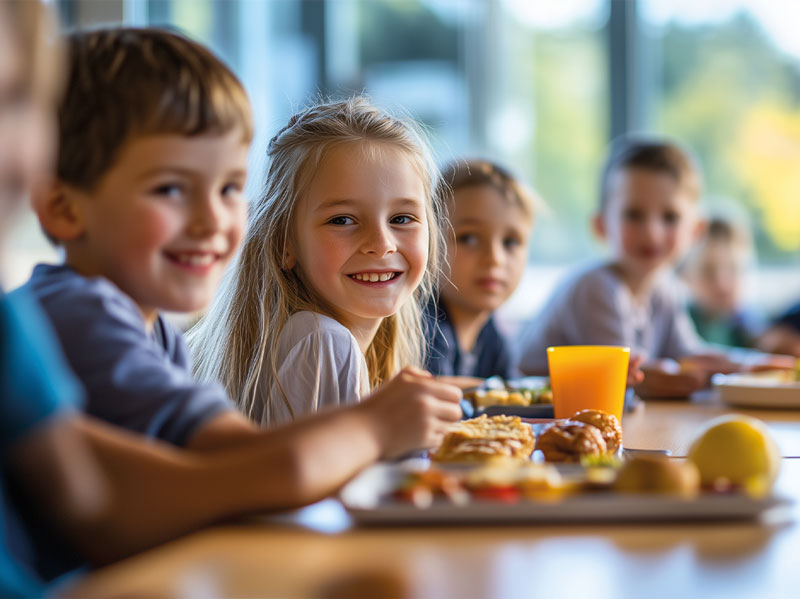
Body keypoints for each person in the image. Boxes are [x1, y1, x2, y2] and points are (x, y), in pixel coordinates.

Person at [11, 25, 461, 586]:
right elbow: (260, 464)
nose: (212, 222)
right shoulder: (80, 314)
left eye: (228, 189)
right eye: (170, 189)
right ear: (62, 207)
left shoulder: (156, 333)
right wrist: (375, 426)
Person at [188, 97, 445, 427]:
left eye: (402, 218)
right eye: (342, 220)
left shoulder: (312, 337)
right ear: (285, 244)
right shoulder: (323, 342)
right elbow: (304, 479)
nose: (382, 245)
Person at [517, 137, 736, 397]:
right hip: (531, 418)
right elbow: (629, 379)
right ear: (601, 225)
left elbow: (689, 354)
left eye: (670, 217)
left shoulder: (665, 289)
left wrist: (750, 365)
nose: (652, 234)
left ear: (696, 230)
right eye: (633, 215)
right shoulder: (596, 287)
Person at [422, 159, 536, 387]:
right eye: (469, 238)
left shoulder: (492, 336)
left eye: (510, 242)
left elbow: (514, 400)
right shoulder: (424, 327)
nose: (494, 258)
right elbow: (428, 396)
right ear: (429, 242)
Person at [681, 216, 764, 348]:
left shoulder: (752, 326)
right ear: (684, 275)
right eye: (708, 271)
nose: (722, 284)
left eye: (734, 268)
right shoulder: (678, 323)